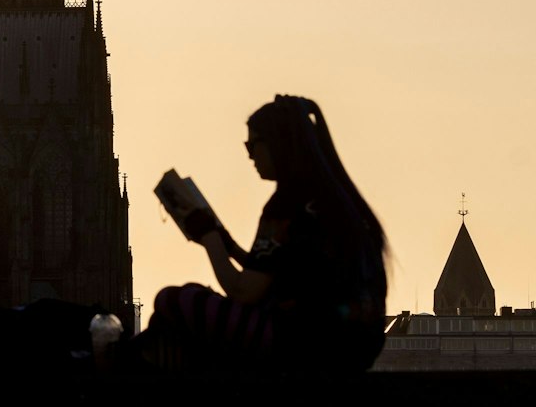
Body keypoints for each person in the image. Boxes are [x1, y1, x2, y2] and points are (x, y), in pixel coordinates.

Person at [124, 95, 387, 372]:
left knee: (175, 300)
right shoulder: (339, 199)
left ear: (279, 143)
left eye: (253, 144)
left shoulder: (286, 203)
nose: (249, 155)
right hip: (358, 346)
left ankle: (118, 362)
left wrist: (208, 235)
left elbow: (243, 291)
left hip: (304, 344)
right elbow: (281, 272)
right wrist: (231, 248)